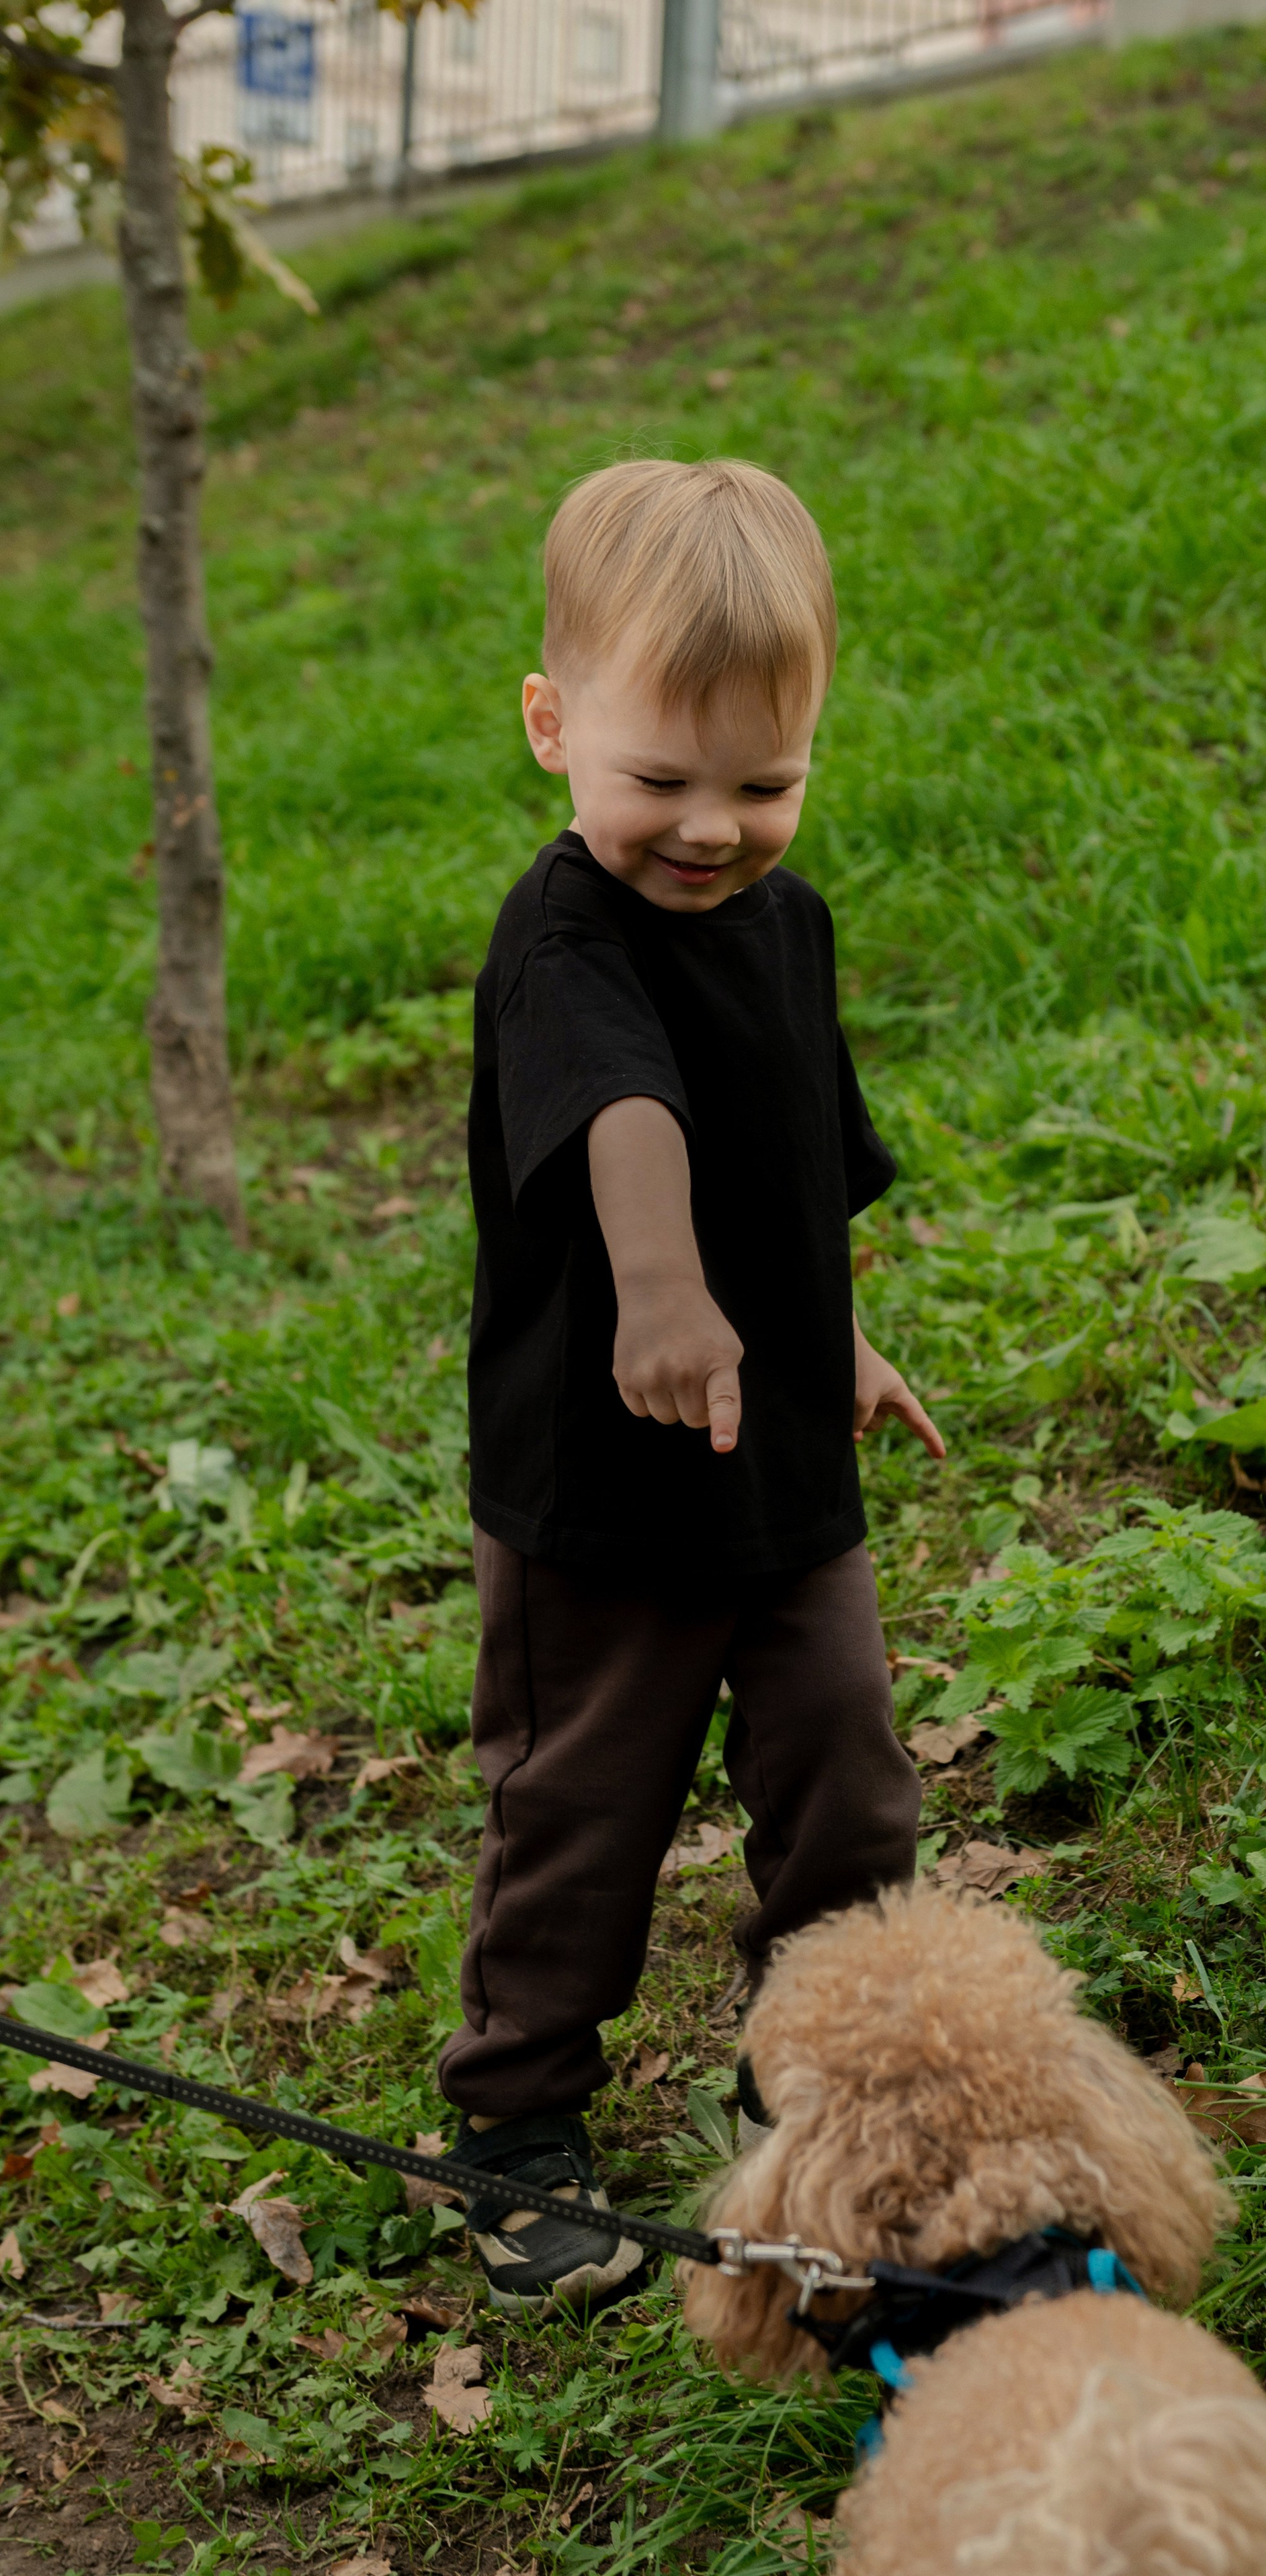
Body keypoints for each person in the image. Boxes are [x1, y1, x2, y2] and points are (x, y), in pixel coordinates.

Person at [439, 457, 945, 2313]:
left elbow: (793, 1154)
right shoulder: (563, 937)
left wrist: (833, 1336)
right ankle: (515, 2129)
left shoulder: (784, 927)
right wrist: (657, 1289)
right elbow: (630, 1116)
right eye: (661, 779)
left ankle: (814, 2092)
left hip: (782, 1461)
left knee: (852, 1785)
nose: (714, 829)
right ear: (552, 725)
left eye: (767, 783)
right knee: (587, 1809)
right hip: (606, 1480)